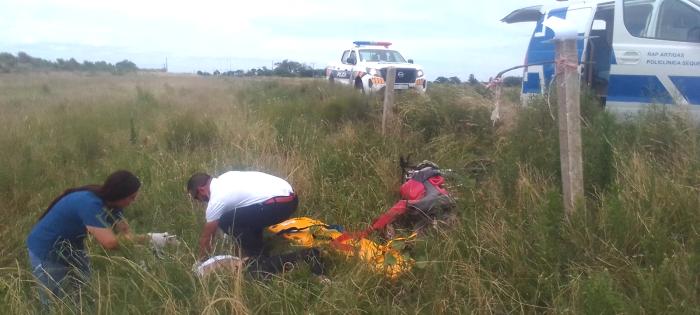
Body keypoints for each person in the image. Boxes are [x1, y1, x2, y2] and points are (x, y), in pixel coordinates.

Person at [26, 170, 176, 307]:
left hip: (73, 247)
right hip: (46, 249)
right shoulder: (90, 204)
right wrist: (150, 238)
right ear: (120, 194)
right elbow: (109, 242)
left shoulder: (113, 204)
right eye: (132, 197)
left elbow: (126, 234)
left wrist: (142, 259)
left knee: (84, 289)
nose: (134, 200)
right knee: (53, 300)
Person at [187, 171, 298, 260]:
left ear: (201, 190)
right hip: (291, 198)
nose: (200, 201)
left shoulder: (217, 199)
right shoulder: (226, 177)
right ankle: (258, 245)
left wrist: (200, 263)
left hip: (280, 204)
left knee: (225, 221)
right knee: (240, 216)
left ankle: (257, 258)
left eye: (197, 198)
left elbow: (207, 238)